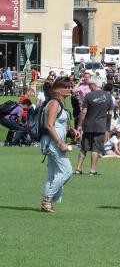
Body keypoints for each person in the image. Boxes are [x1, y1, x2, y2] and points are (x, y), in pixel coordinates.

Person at [40, 77, 75, 213]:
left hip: (53, 143)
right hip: (52, 143)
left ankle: (46, 203)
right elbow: (50, 125)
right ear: (58, 90)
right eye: (67, 87)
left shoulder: (61, 103)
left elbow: (59, 125)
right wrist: (61, 143)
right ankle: (47, 199)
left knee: (53, 174)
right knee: (66, 171)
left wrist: (72, 132)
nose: (70, 89)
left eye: (71, 87)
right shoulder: (54, 103)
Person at [75, 81, 113, 176]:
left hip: (88, 125)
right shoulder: (108, 97)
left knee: (84, 148)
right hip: (100, 126)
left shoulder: (88, 96)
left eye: (90, 85)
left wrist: (80, 124)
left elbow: (84, 111)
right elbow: (110, 114)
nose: (89, 87)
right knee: (96, 149)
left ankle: (78, 169)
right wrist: (107, 128)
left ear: (94, 85)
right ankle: (92, 170)